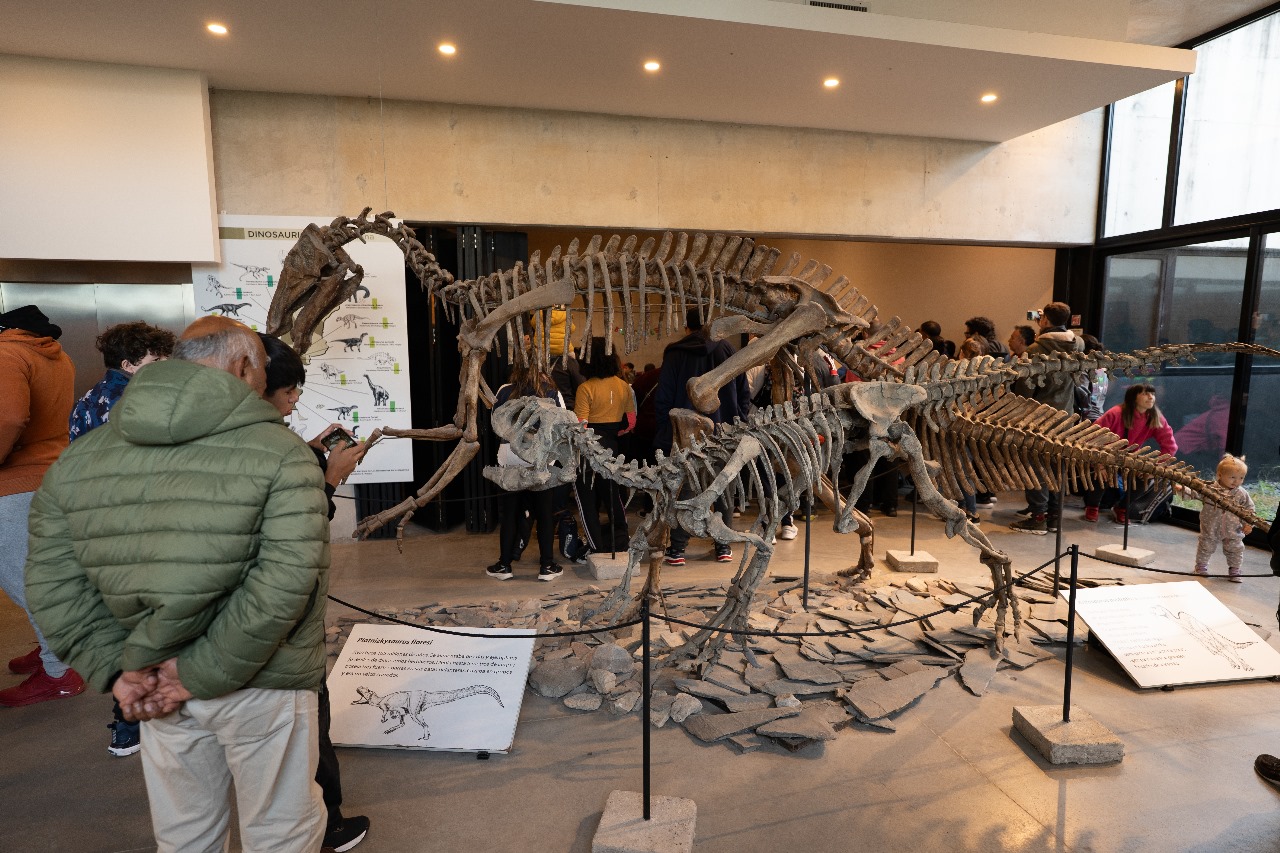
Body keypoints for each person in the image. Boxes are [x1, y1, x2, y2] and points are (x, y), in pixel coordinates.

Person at [25, 316, 329, 852]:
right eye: (262, 369)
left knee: (185, 834)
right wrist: (198, 672)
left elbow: (54, 583)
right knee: (281, 830)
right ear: (244, 366)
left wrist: (116, 669)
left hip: (148, 678)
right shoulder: (282, 452)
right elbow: (285, 581)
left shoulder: (78, 460)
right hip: (262, 680)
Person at [258, 333, 371, 851]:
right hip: (279, 622)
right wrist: (329, 480)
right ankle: (327, 825)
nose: (296, 399)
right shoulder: (269, 448)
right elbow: (295, 531)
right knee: (306, 716)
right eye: (289, 391)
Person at [0, 305, 84, 708]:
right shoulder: (56, 354)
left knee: (25, 580)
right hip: (52, 475)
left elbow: (9, 418)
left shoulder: (7, 353)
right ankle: (51, 647)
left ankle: (58, 671)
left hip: (16, 483)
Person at [655, 310, 749, 565]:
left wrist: (666, 430)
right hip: (723, 432)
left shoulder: (675, 353)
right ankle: (723, 545)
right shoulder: (728, 350)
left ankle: (677, 549)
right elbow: (743, 392)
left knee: (685, 488)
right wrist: (738, 420)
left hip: (686, 435)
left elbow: (664, 396)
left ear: (687, 327)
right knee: (723, 486)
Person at [487, 354, 566, 581]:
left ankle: (504, 565)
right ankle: (546, 566)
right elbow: (563, 424)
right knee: (544, 514)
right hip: (540, 458)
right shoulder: (551, 392)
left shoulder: (504, 390)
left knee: (510, 514)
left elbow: (495, 423)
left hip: (510, 456)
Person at [1009, 302, 1084, 534]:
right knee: (1056, 465)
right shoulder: (1078, 344)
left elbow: (1026, 388)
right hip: (1065, 415)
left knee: (1035, 465)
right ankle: (1054, 517)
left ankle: (1038, 516)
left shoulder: (1035, 350)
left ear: (1044, 320)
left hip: (1039, 417)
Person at [1083, 383, 1177, 524]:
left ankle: (1122, 508)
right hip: (1105, 456)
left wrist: (1155, 468)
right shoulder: (1115, 413)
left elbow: (1170, 446)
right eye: (1145, 393)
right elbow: (1092, 436)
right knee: (1101, 475)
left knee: (1143, 477)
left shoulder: (1155, 417)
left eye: (1152, 394)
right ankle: (1092, 506)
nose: (1150, 397)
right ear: (1133, 397)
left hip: (1130, 458)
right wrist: (1100, 463)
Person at [574, 338, 635, 554]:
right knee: (613, 496)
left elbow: (581, 426)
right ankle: (621, 540)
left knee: (587, 500)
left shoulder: (585, 388)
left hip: (588, 452)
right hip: (612, 449)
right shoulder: (624, 386)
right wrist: (612, 434)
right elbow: (631, 422)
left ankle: (595, 547)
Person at [69, 321, 176, 441]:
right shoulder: (135, 402)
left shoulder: (86, 399)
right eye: (155, 360)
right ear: (127, 365)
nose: (166, 365)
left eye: (166, 358)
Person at [1190, 454, 1254, 582]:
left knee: (1235, 548)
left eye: (1241, 478)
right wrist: (1183, 490)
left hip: (1233, 529)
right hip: (1211, 526)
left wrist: (1248, 523)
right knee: (1206, 545)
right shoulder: (1210, 489)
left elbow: (1249, 509)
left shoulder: (1241, 493)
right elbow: (1195, 493)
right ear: (1219, 475)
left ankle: (1235, 570)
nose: (1237, 481)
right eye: (1232, 477)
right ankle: (1201, 566)